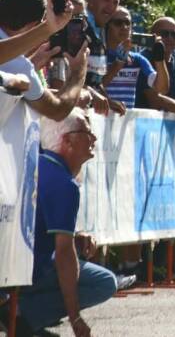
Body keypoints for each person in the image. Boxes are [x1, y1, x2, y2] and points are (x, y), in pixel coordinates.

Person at [17, 110, 117, 337]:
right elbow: (63, 253)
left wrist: (75, 234)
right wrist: (75, 317)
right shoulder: (63, 183)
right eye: (86, 133)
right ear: (67, 141)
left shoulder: (37, 164)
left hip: (17, 265)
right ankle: (21, 316)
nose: (93, 138)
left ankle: (18, 314)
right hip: (29, 269)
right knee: (105, 282)